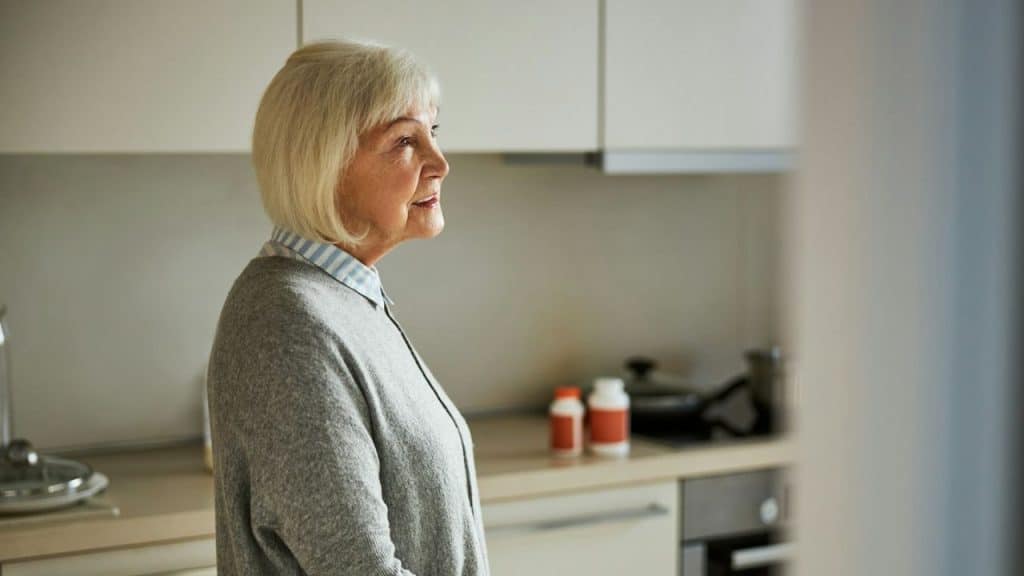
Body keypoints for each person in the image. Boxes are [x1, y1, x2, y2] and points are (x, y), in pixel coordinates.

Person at [206, 39, 489, 575]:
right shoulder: (285, 323)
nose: (440, 163)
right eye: (405, 140)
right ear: (324, 164)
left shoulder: (344, 298)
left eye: (434, 132)